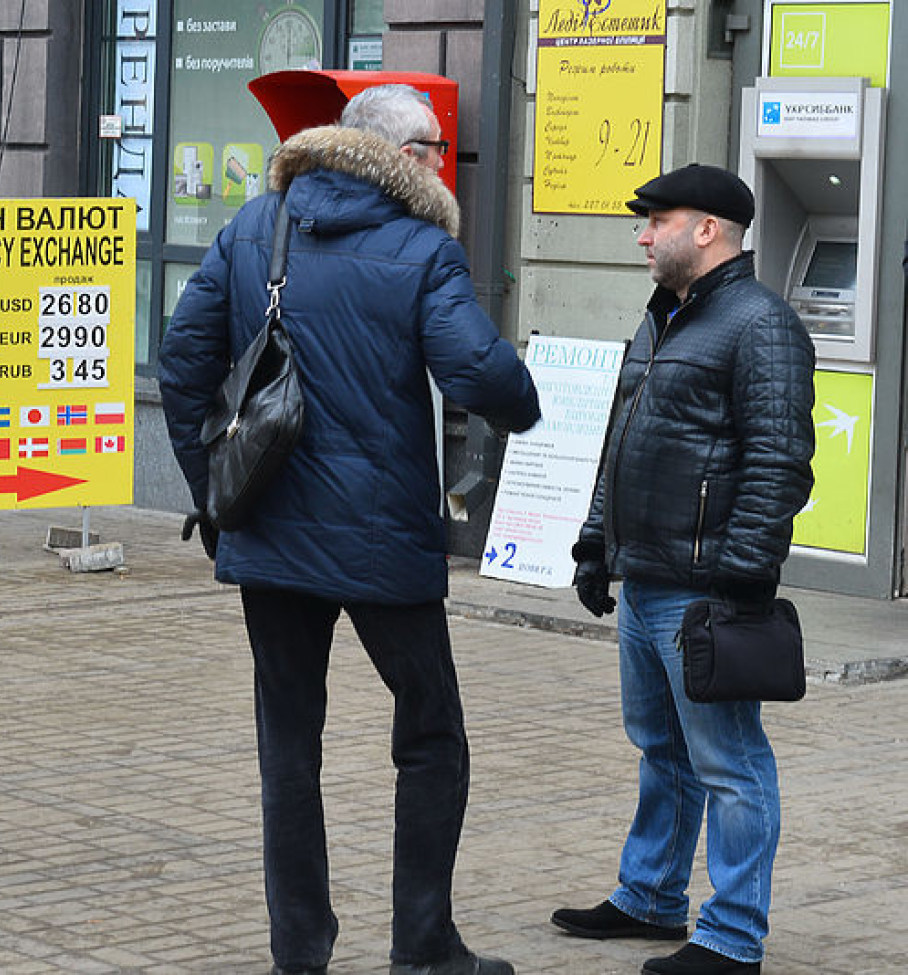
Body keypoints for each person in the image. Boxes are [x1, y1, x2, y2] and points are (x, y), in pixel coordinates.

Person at [159, 84, 540, 975]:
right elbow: (479, 373)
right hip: (379, 544)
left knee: (288, 750)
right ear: (404, 158)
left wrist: (214, 493)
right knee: (432, 737)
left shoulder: (259, 227)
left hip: (272, 538)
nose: (445, 161)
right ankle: (424, 948)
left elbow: (183, 363)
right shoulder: (421, 249)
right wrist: (527, 394)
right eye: (436, 146)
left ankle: (301, 953)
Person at [552, 164, 815, 975]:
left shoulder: (760, 324)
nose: (641, 234)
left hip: (706, 588)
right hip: (646, 577)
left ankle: (733, 937)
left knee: (731, 763)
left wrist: (740, 574)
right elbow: (620, 441)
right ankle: (650, 896)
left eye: (655, 221)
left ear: (706, 229)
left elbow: (782, 461)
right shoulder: (663, 318)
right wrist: (597, 543)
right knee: (660, 748)